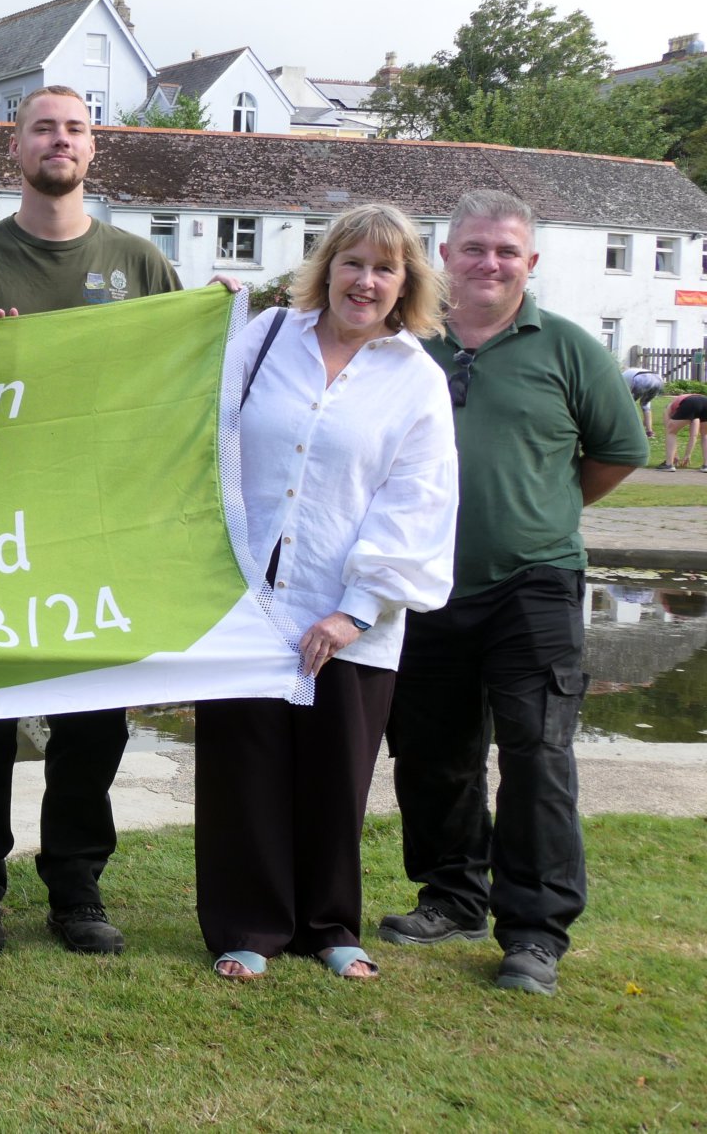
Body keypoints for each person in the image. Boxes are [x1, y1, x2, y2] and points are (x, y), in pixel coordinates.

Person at [0, 85, 181, 957]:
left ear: (92, 149)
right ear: (16, 149)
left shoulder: (141, 266)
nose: (59, 141)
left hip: (99, 528)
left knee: (93, 716)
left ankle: (76, 886)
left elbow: (175, 387)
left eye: (75, 128)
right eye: (43, 127)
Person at [380, 189, 648, 996]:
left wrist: (541, 510)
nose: (489, 263)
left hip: (533, 581)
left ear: (530, 263)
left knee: (536, 754)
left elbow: (616, 451)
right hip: (423, 581)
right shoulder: (404, 346)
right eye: (473, 248)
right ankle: (452, 895)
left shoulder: (566, 347)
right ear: (444, 255)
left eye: (506, 251)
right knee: (432, 753)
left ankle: (533, 931)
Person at [195, 204, 457, 982]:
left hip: (354, 612)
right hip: (249, 599)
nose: (365, 281)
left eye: (384, 268)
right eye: (352, 262)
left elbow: (418, 497)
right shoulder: (268, 337)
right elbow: (202, 423)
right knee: (245, 766)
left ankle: (330, 924)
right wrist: (204, 322)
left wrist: (356, 608)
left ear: (405, 282)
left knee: (337, 772)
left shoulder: (417, 379)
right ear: (328, 267)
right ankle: (248, 925)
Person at [660, 391, 707, 471]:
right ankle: (706, 466)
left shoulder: (668, 408)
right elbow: (694, 435)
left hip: (690, 402)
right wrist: (687, 455)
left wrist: (675, 456)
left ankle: (669, 465)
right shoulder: (690, 407)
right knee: (705, 434)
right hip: (705, 401)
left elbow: (669, 430)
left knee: (670, 432)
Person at [623, 366, 664, 437]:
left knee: (629, 404)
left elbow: (625, 393)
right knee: (645, 404)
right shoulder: (632, 371)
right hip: (658, 380)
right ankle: (649, 432)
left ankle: (631, 429)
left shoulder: (623, 376)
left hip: (641, 379)